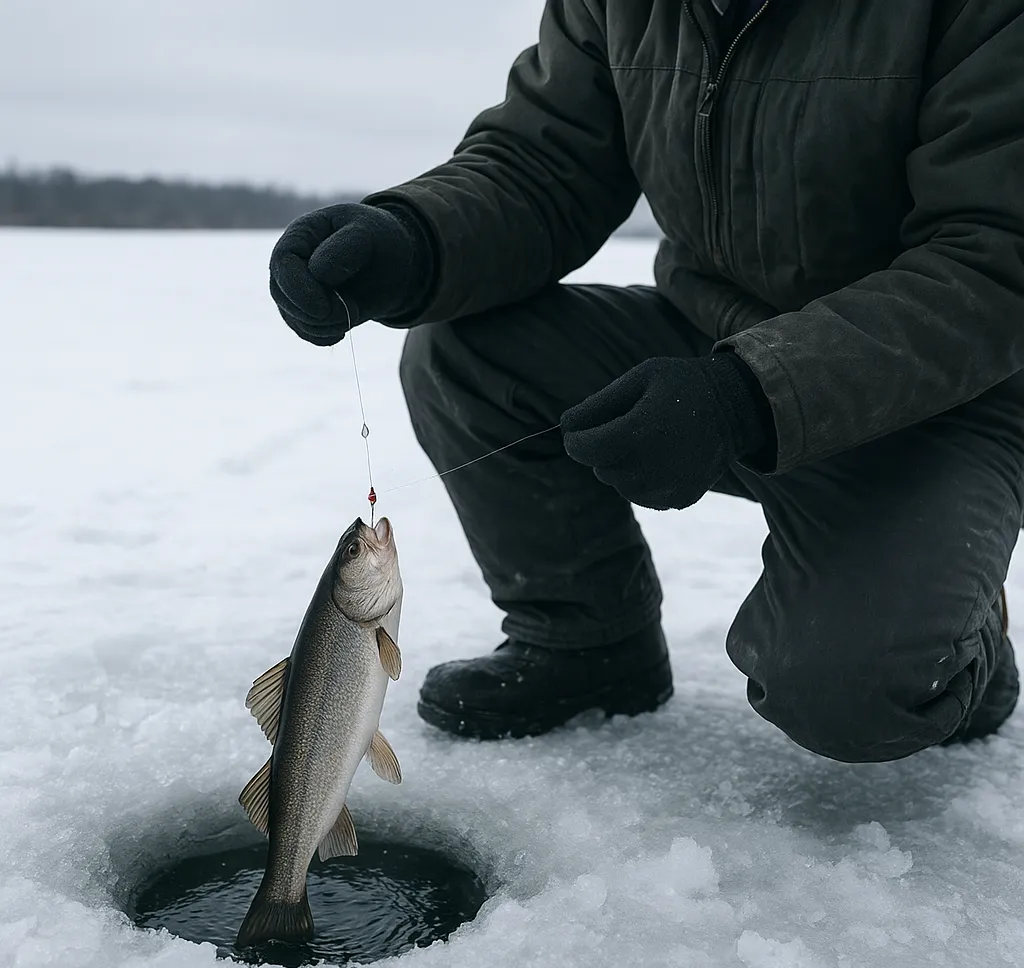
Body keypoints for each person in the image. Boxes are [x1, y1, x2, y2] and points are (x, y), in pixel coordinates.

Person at [267, 0, 1024, 762]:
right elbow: (543, 165)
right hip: (718, 342)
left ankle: (964, 647)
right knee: (466, 350)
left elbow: (997, 257)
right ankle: (589, 646)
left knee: (850, 692)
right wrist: (415, 241)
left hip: (946, 389)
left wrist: (749, 395)